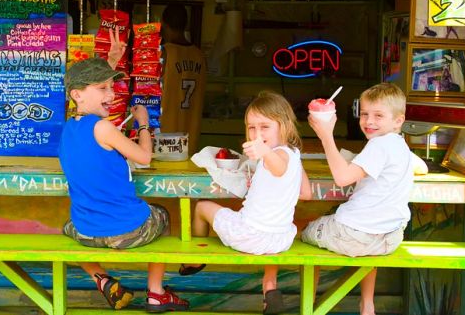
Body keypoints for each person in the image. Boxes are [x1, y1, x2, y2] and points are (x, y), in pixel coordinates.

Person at [59, 57, 189, 312]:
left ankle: (102, 278)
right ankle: (156, 293)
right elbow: (144, 156)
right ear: (77, 94)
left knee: (67, 229)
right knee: (162, 214)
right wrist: (143, 122)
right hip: (128, 231)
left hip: (87, 233)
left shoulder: (67, 130)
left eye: (112, 87)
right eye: (103, 89)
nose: (112, 94)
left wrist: (113, 57)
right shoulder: (103, 127)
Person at [182, 91, 312, 315]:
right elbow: (306, 193)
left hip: (249, 235)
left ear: (284, 125)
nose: (256, 133)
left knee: (202, 206)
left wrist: (264, 153)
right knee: (269, 225)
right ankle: (269, 285)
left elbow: (279, 167)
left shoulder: (277, 155)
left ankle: (196, 259)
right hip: (280, 239)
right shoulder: (294, 153)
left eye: (264, 127)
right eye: (251, 127)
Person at [302, 83, 426, 315]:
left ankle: (308, 307)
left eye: (378, 115)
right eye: (365, 114)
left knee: (306, 231)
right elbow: (423, 167)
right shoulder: (399, 145)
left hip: (355, 236)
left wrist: (326, 135)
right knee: (369, 223)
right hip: (389, 238)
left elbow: (342, 178)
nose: (369, 121)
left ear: (398, 121)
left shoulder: (378, 145)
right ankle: (367, 305)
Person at [159, 3, 206, 156]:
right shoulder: (199, 55)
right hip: (190, 135)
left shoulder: (165, 52)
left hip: (165, 135)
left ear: (163, 24)